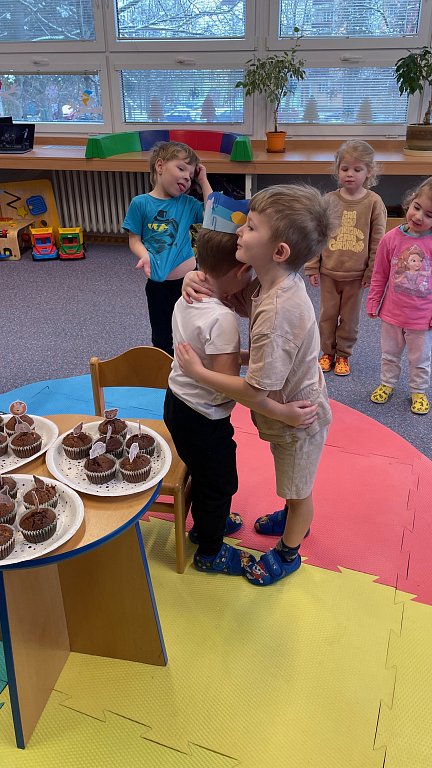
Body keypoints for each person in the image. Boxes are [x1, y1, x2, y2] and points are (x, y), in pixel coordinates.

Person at [177, 185, 333, 586]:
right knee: (291, 480)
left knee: (299, 491)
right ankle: (291, 514)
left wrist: (197, 372)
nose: (239, 232)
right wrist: (194, 277)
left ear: (278, 251)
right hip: (286, 409)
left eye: (250, 227)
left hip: (298, 419)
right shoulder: (272, 280)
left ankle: (289, 550)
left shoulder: (278, 312)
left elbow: (252, 392)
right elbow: (227, 289)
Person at [304, 139, 387, 376]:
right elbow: (317, 234)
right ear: (337, 170)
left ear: (369, 172)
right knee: (327, 316)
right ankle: (327, 352)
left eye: (357, 169)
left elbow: (378, 241)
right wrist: (312, 266)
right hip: (329, 272)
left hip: (356, 275)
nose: (350, 174)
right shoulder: (328, 200)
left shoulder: (373, 203)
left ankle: (343, 354)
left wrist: (372, 271)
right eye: (345, 169)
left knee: (350, 319)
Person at [123, 140, 212, 356]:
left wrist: (203, 180)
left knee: (192, 332)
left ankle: (193, 369)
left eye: (190, 175)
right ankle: (165, 370)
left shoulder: (187, 204)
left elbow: (213, 213)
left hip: (189, 281)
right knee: (162, 337)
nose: (186, 177)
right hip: (158, 285)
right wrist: (144, 255)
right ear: (160, 166)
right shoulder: (140, 203)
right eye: (181, 168)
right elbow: (134, 239)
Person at [367, 177, 432, 415]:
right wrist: (373, 301)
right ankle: (387, 383)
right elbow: (380, 273)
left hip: (422, 318)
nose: (418, 217)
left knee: (420, 358)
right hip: (392, 313)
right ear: (411, 201)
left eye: (429, 215)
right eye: (417, 207)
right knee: (389, 354)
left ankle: (418, 391)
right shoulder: (390, 239)